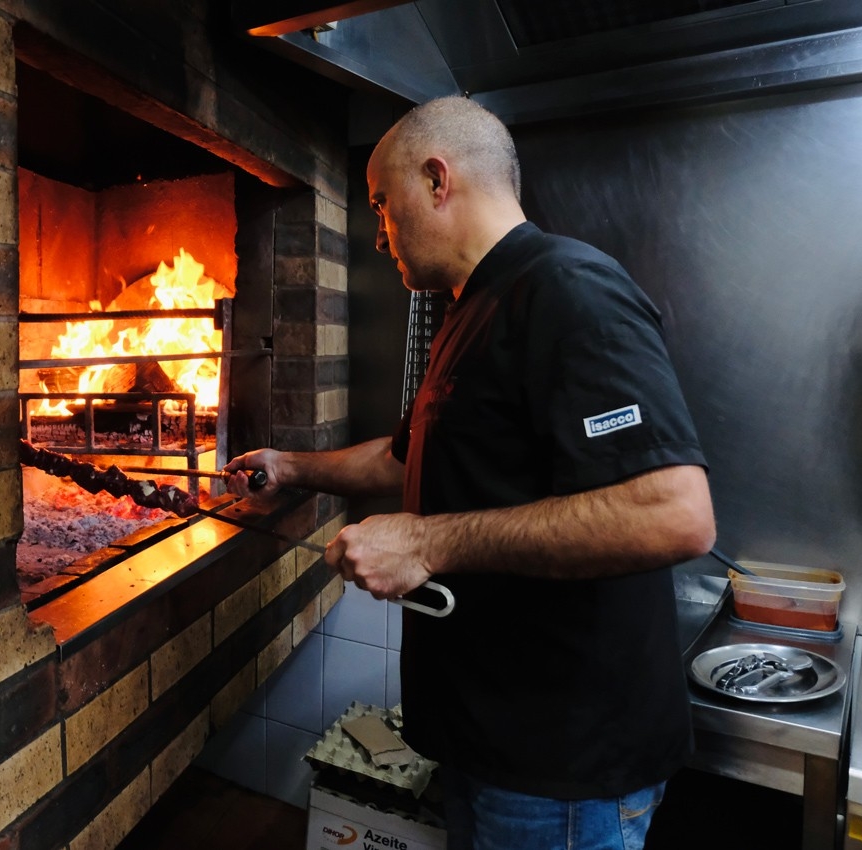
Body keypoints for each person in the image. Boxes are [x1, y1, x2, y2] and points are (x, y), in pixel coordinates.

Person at [224, 95, 716, 850]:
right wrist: (291, 466)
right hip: (488, 746)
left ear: (436, 179)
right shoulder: (467, 312)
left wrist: (427, 543)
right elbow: (406, 456)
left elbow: (672, 512)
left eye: (384, 204)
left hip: (560, 768)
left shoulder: (567, 289)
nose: (380, 230)